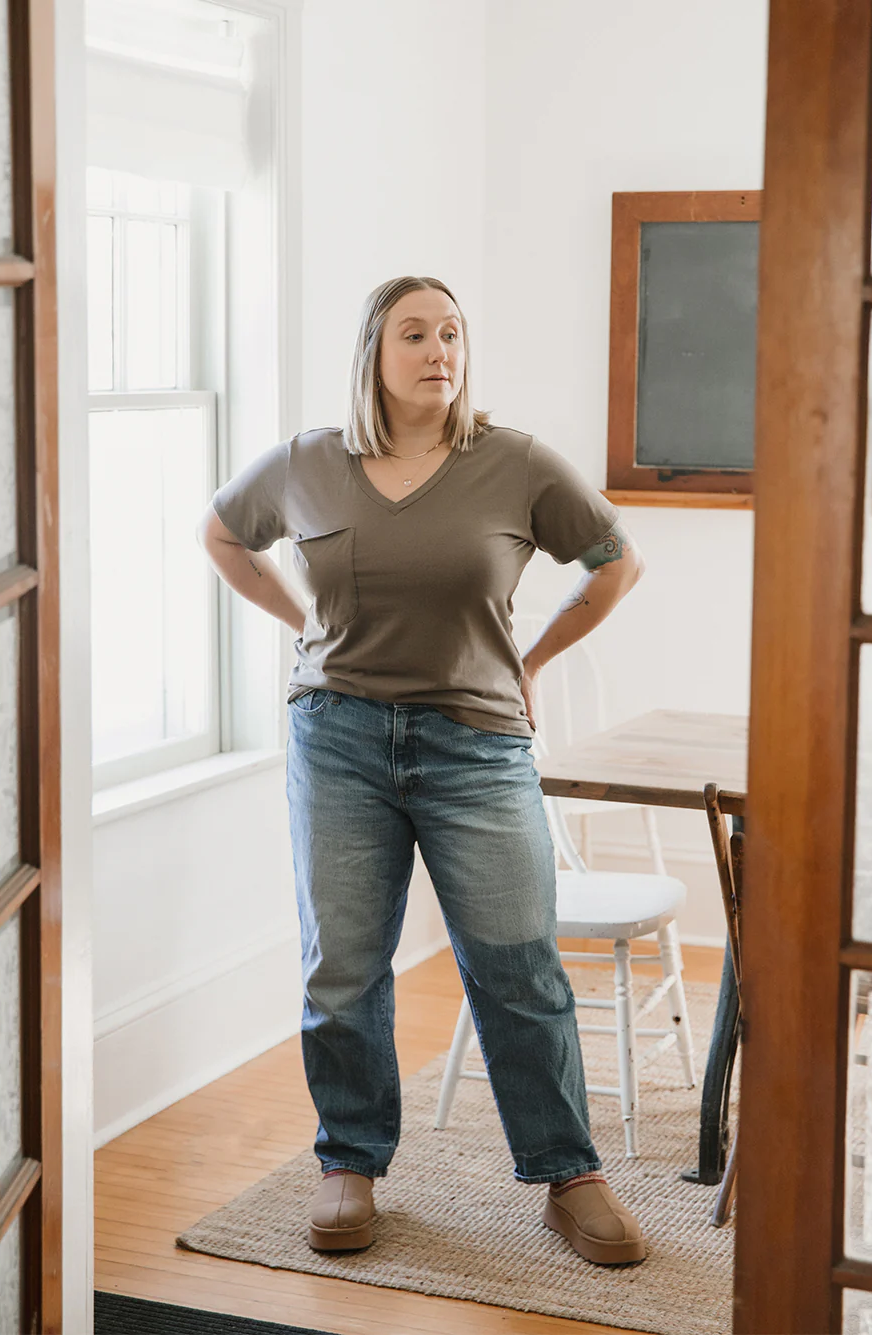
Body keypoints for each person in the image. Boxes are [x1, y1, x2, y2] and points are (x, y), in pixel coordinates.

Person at [197, 275, 648, 1267]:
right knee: (342, 965)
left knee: (515, 965)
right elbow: (223, 532)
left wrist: (531, 664)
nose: (439, 350)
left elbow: (613, 560)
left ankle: (566, 1173)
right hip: (338, 740)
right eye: (415, 334)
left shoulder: (513, 463)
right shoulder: (310, 462)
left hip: (476, 744)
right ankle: (348, 1161)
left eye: (450, 333)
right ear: (374, 351)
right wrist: (298, 626)